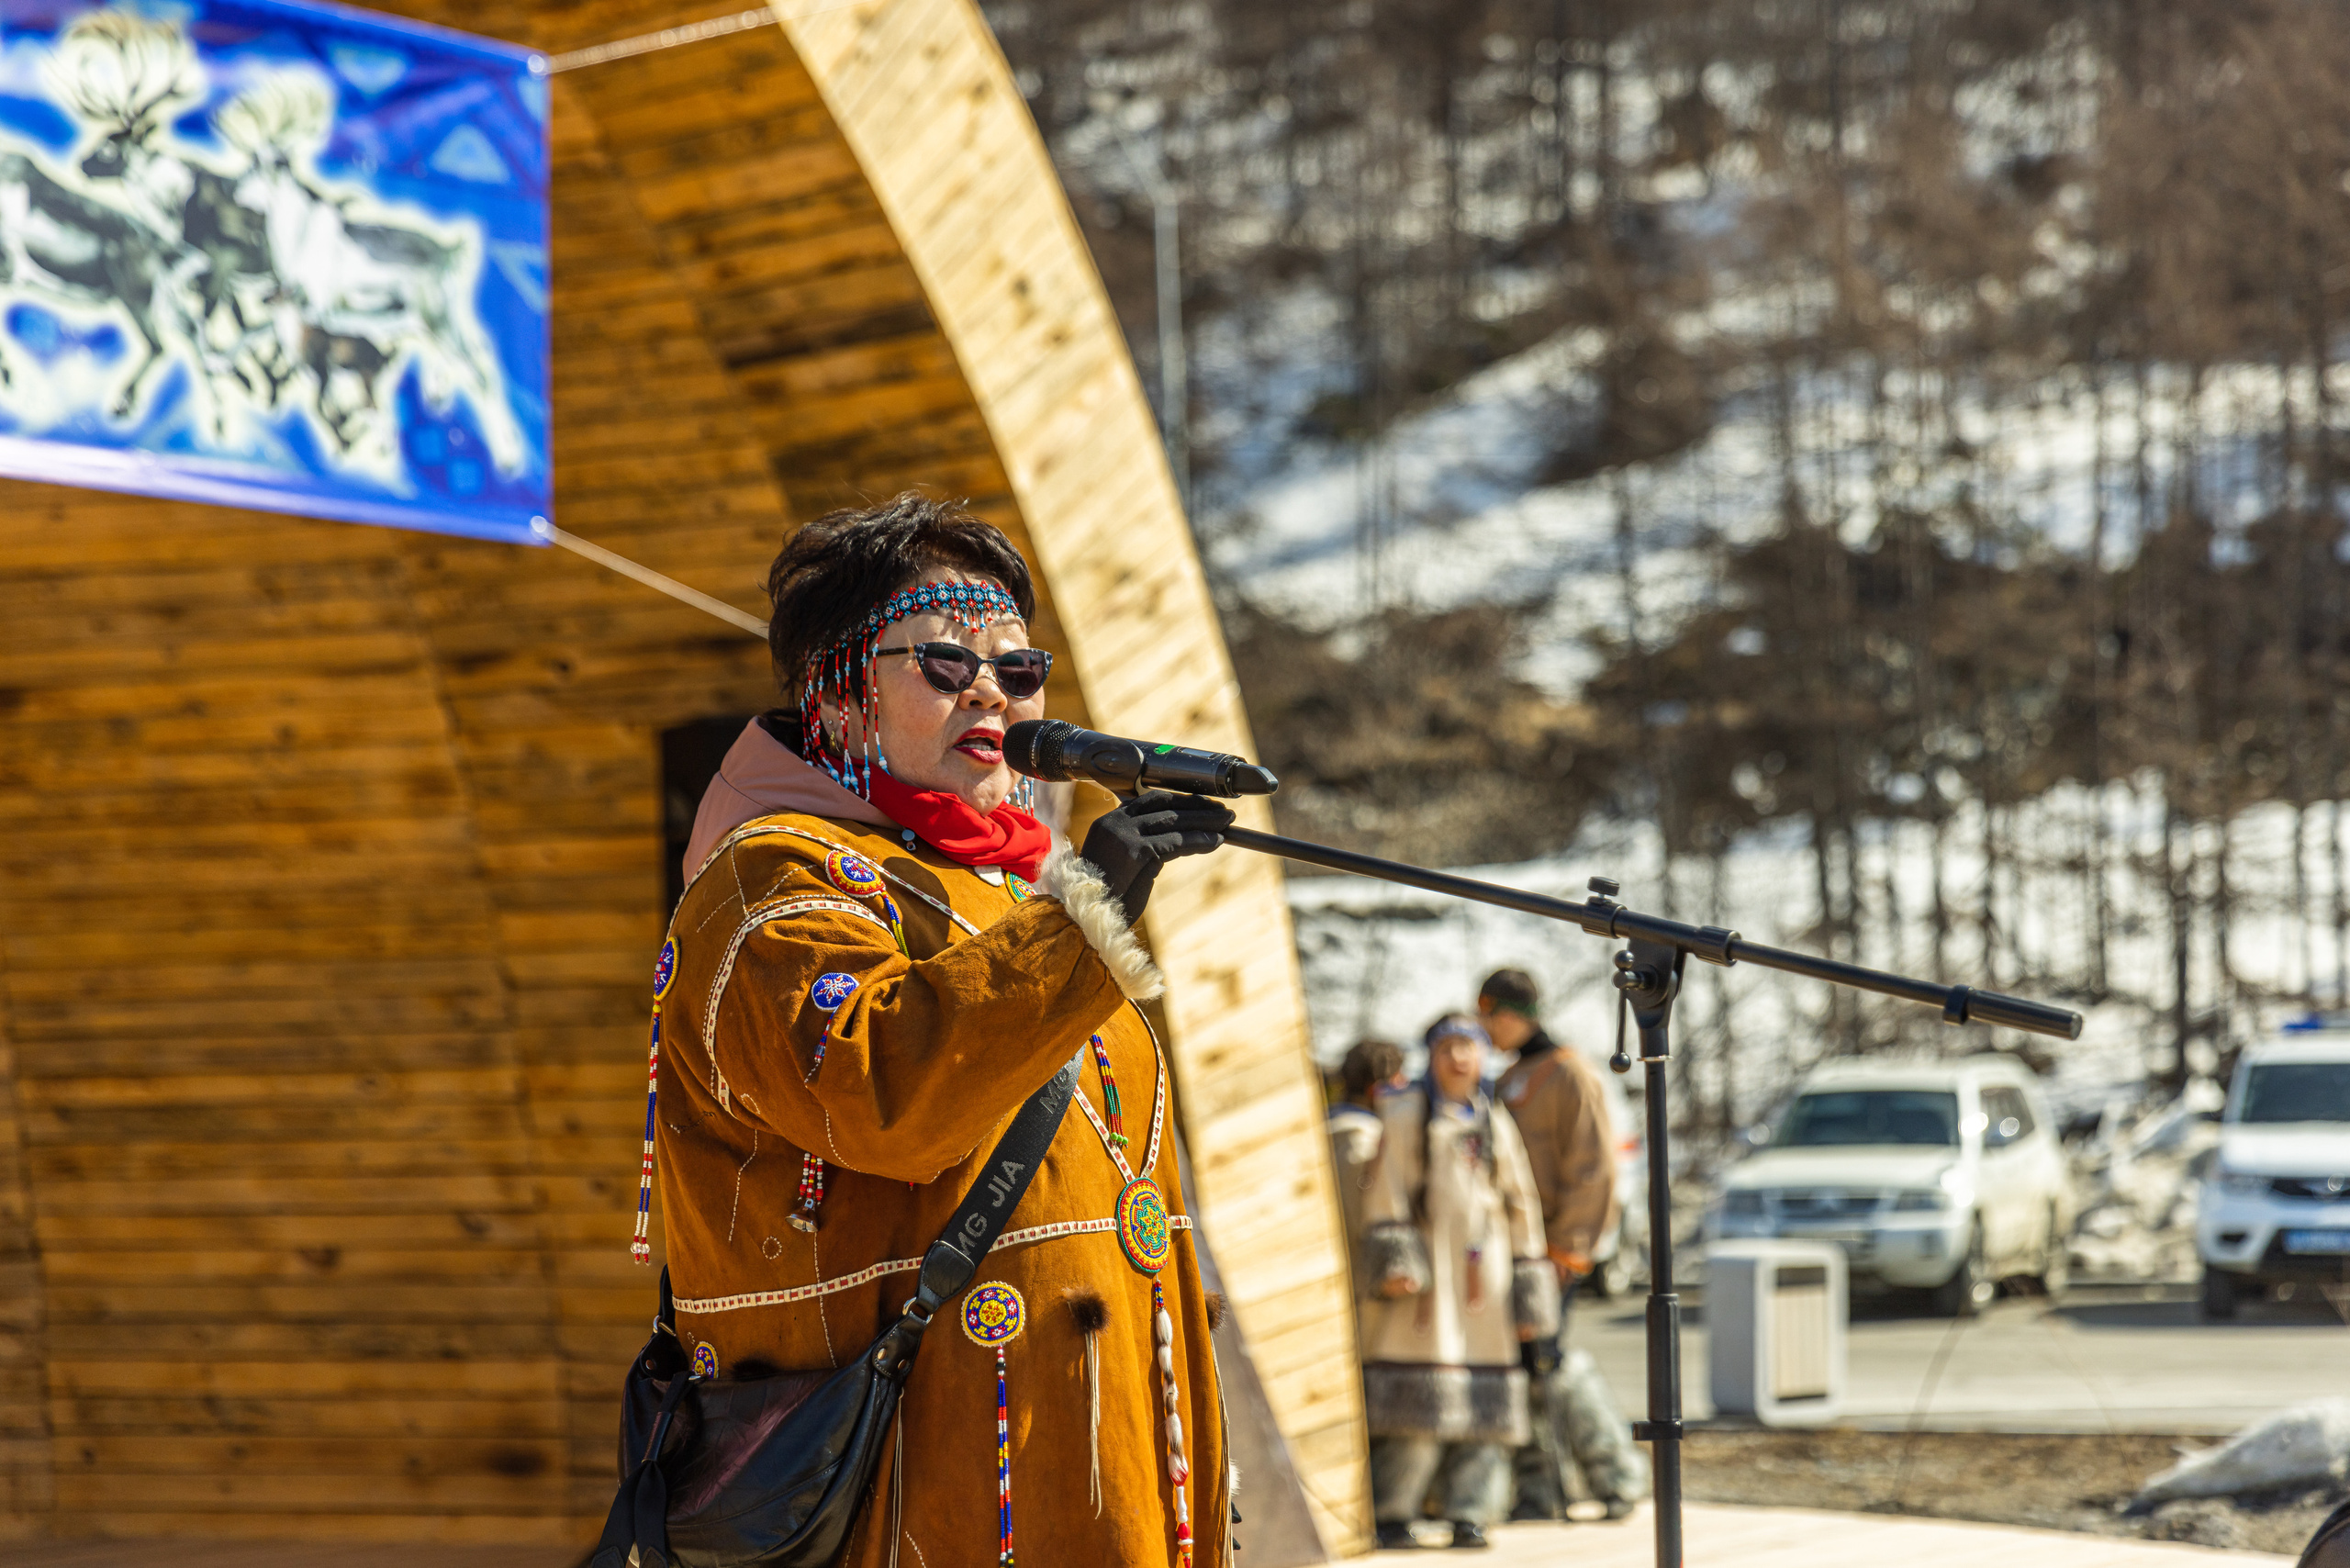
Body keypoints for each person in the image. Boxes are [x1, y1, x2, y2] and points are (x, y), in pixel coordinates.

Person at [644, 493, 1238, 1568]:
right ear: (836, 691)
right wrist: (1083, 916)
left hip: (1094, 1458)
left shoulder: (1020, 889)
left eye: (1018, 668)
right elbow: (885, 1094)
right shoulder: (772, 879)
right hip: (926, 1481)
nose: (992, 691)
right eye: (945, 662)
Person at [1359, 1014, 1558, 1551]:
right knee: (1417, 1408)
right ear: (1431, 1056)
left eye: (1468, 1047)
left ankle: (1471, 1512)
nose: (1458, 1058)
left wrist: (1528, 1283)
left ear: (1483, 1056)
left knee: (1485, 1407)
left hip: (1485, 1283)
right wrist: (1395, 1257)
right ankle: (1393, 1511)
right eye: (1446, 1047)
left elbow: (1522, 1203)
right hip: (1427, 1280)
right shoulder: (1405, 1113)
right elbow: (1386, 1189)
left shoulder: (1496, 1120)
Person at [1482, 968, 1650, 1522]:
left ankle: (1615, 1477)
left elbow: (1595, 1167)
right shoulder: (1510, 1077)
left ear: (1510, 1014)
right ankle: (1541, 1490)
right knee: (1527, 1367)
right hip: (1517, 1251)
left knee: (1550, 1362)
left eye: (1489, 1016)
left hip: (1554, 1250)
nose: (1486, 1029)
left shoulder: (1570, 1073)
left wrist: (1571, 1249)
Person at [1329, 1036, 1406, 1297]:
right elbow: (1359, 1222)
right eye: (1399, 1079)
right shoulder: (1365, 1142)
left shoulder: (1323, 1132)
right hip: (1361, 1286)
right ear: (1377, 1089)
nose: (1404, 1086)